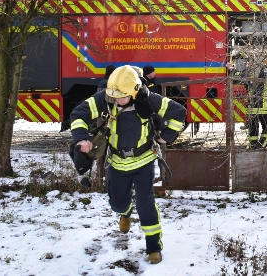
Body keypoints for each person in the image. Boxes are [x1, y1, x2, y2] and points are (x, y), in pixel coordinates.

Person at [70, 65, 186, 265]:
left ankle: (153, 247)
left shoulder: (148, 98)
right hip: (117, 162)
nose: (116, 100)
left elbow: (179, 112)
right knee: (117, 203)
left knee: (146, 204)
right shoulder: (106, 97)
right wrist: (81, 139)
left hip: (143, 162)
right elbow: (77, 115)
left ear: (133, 90)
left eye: (121, 96)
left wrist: (166, 136)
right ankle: (125, 213)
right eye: (113, 95)